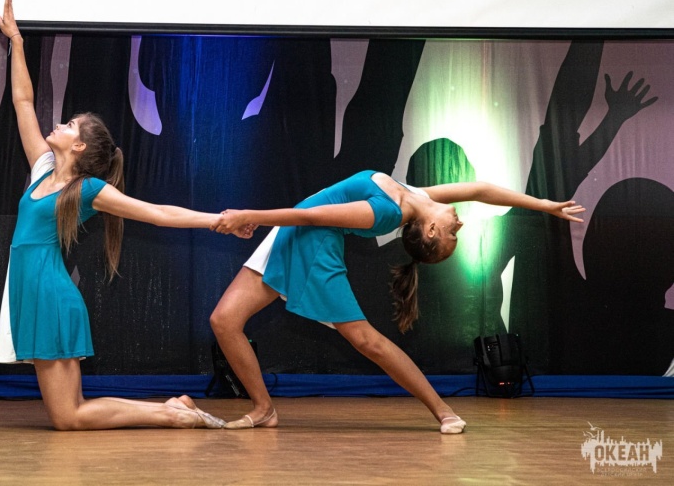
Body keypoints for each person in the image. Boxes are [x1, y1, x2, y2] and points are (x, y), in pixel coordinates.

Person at [0, 0, 239, 430]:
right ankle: (173, 409)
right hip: (35, 292)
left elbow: (157, 213)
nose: (60, 124)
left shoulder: (87, 190)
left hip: (49, 295)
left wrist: (216, 220)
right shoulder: (42, 169)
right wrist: (17, 41)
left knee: (69, 417)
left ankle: (171, 415)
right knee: (70, 413)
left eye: (70, 124)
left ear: (80, 146)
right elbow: (23, 102)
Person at [209, 170, 585, 433]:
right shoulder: (416, 195)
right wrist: (544, 204)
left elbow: (314, 216)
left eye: (453, 234)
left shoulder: (388, 213)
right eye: (456, 234)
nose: (460, 225)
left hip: (312, 238)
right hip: (291, 232)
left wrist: (250, 216)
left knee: (366, 340)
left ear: (432, 230)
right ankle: (264, 409)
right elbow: (481, 190)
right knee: (224, 321)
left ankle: (443, 411)